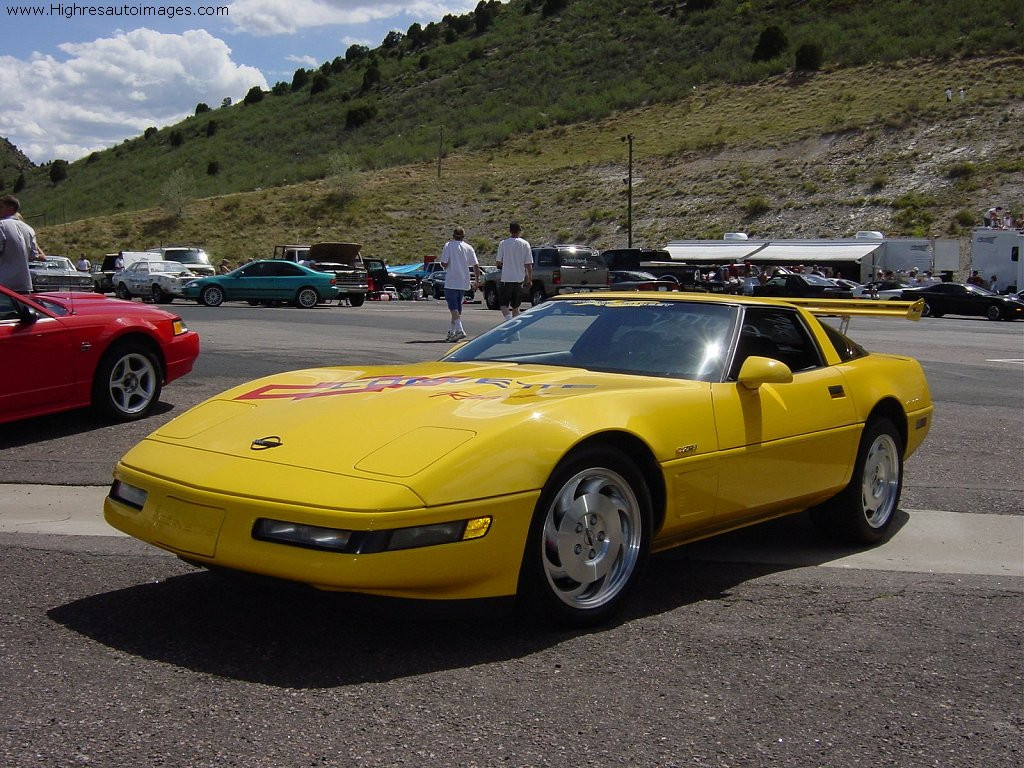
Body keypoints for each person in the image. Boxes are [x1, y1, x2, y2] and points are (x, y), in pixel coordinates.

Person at [439, 226, 480, 341]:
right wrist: (477, 280)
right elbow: (476, 265)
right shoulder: (468, 247)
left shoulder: (449, 246)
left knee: (453, 307)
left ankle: (460, 329)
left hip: (452, 280)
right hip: (463, 281)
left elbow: (444, 263)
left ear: (453, 235)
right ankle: (452, 331)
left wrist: (444, 265)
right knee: (457, 308)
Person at [495, 221, 533, 320]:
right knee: (516, 306)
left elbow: (498, 262)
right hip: (519, 279)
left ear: (510, 231)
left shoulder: (503, 243)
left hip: (507, 278)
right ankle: (515, 328)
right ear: (519, 231)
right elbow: (528, 264)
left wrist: (505, 265)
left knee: (503, 304)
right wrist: (529, 279)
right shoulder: (525, 244)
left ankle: (508, 321)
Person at [0, 195, 38, 293]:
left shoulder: (2, 225)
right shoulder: (29, 229)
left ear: (11, 208)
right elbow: (33, 255)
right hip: (24, 284)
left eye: (1, 207)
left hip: (4, 283)